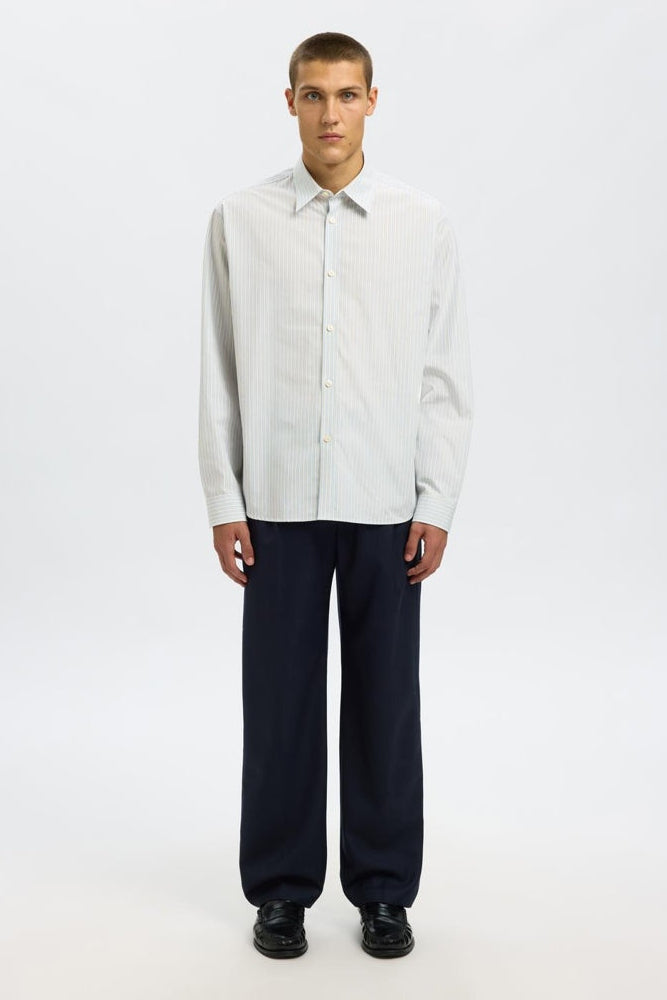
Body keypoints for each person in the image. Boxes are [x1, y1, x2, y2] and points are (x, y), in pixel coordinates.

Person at [198, 31, 474, 959]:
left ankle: (384, 891)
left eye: (346, 95)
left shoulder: (421, 223)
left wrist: (435, 500)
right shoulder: (238, 221)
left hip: (384, 501)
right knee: (279, 707)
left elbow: (442, 374)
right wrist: (223, 498)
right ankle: (280, 891)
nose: (330, 113)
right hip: (275, 501)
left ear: (371, 101)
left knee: (384, 706)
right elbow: (218, 370)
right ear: (289, 102)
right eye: (313, 95)